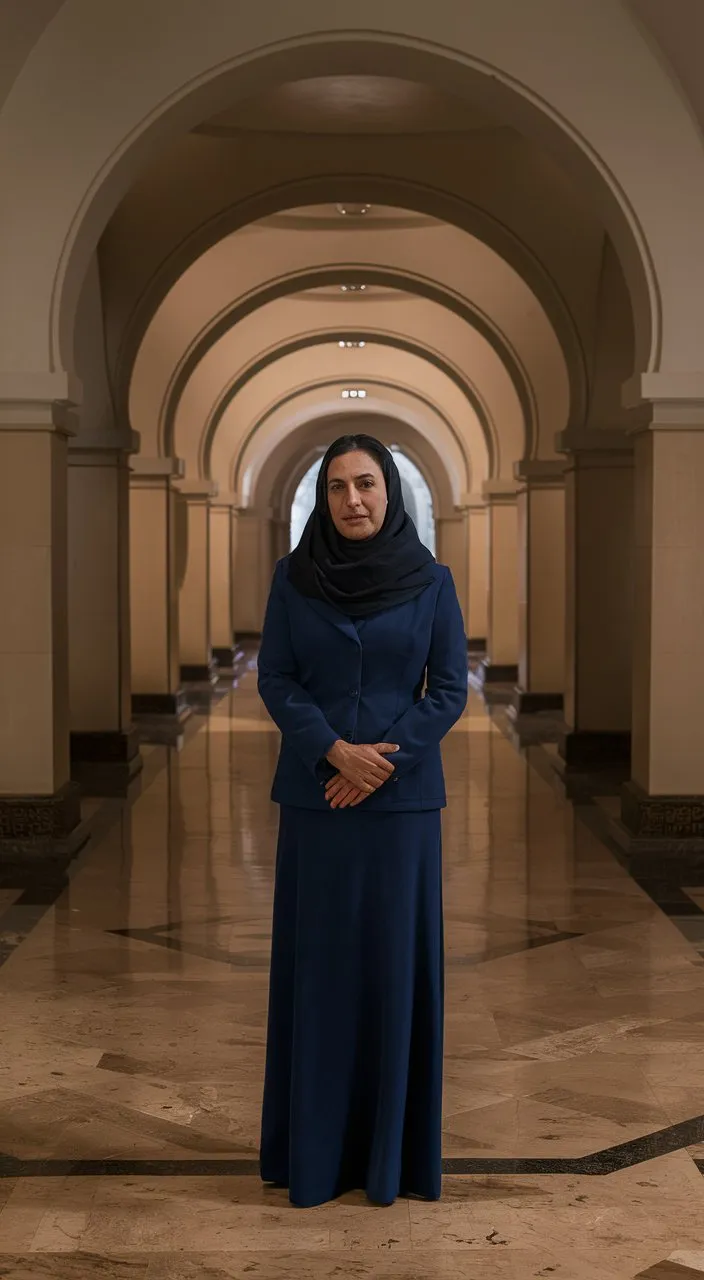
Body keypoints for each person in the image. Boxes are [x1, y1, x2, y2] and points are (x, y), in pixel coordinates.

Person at [257, 434, 468, 1209]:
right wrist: (332, 753)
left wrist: (382, 760)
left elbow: (449, 688)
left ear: (390, 493)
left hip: (401, 810)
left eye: (368, 484)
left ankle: (395, 1160)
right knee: (321, 974)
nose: (354, 500)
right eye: (339, 486)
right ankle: (312, 1156)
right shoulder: (292, 578)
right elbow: (274, 677)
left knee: (392, 970)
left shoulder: (432, 581)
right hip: (317, 803)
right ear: (322, 495)